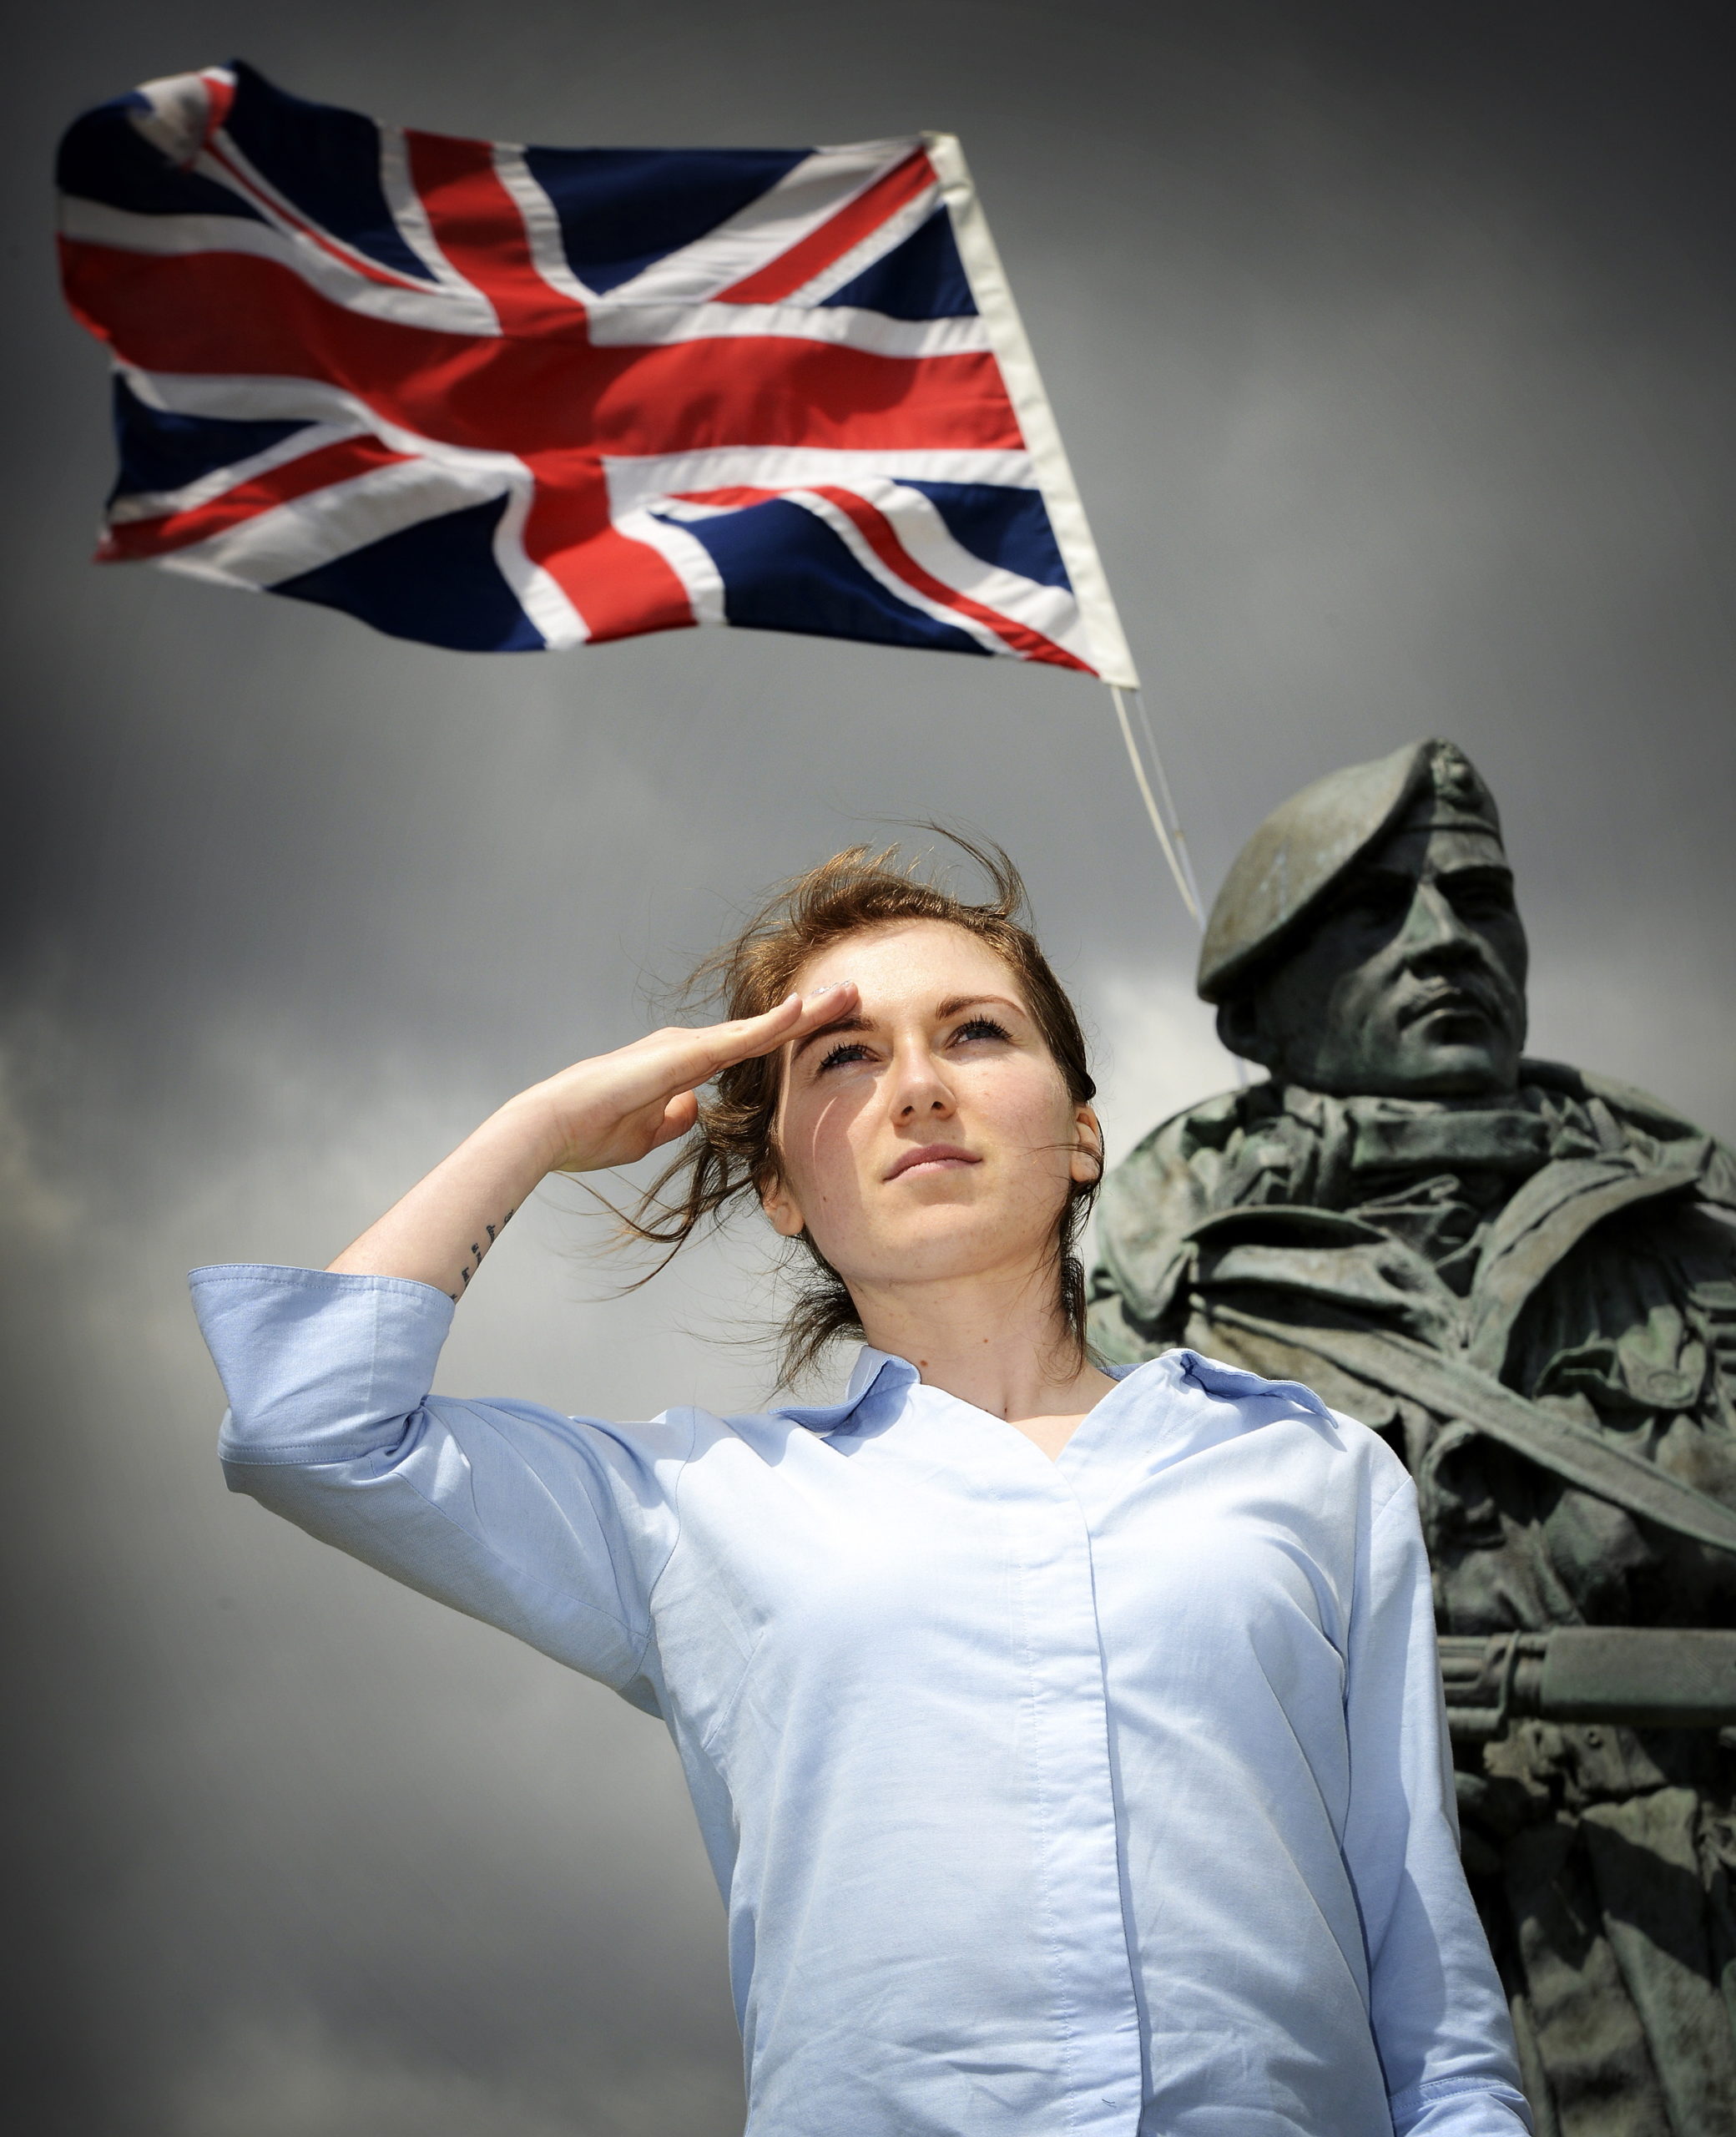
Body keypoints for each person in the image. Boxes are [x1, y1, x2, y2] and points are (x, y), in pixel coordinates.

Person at [192, 839, 1528, 2136]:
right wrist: (540, 1127)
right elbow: (311, 1422)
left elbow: (1438, 2013)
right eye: (845, 1056)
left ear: (1079, 1133)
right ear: (779, 1183)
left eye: (977, 1034)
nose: (920, 1088)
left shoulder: (1312, 1471)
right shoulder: (698, 1508)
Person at [1089, 743, 1736, 2137]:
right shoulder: (1145, 1307)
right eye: (1377, 909)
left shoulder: (1707, 1248)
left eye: (1479, 898)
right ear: (1260, 1002)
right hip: (1380, 1973)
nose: (1447, 941)